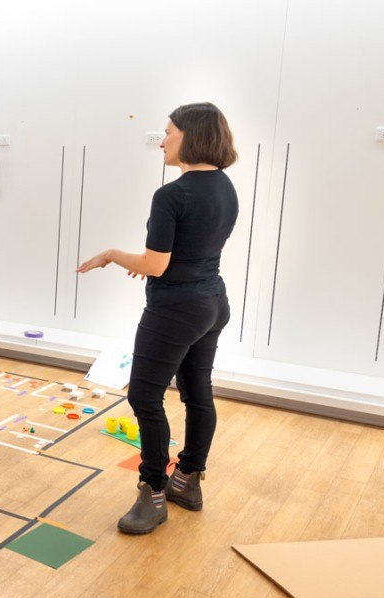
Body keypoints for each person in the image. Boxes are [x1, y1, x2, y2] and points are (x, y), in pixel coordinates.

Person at [77, 102, 239, 535]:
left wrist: (113, 254)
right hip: (212, 303)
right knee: (197, 393)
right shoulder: (225, 187)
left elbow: (157, 264)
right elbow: (184, 251)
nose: (163, 140)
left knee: (145, 398)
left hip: (176, 310)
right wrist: (152, 261)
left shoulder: (172, 194)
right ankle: (187, 480)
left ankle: (151, 490)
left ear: (192, 136)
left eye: (169, 132)